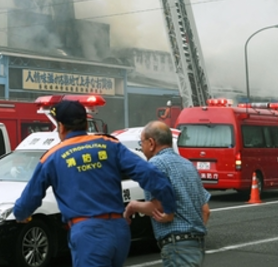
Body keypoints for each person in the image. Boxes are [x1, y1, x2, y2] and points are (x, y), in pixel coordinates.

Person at [13, 100, 176, 267]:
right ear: (85, 123)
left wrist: (21, 214)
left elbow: (28, 200)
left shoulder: (52, 157)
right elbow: (151, 175)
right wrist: (168, 208)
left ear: (61, 127)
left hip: (89, 235)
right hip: (119, 232)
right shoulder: (109, 144)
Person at [124, 121, 211, 267]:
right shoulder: (188, 164)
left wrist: (132, 206)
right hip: (197, 244)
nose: (142, 146)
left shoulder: (155, 165)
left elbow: (159, 206)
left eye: (142, 142)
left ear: (151, 143)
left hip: (176, 244)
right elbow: (206, 211)